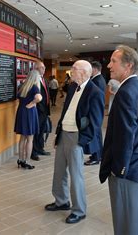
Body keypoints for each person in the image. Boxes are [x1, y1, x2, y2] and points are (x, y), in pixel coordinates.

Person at [99, 45, 138, 235]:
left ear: (128, 66)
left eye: (114, 61)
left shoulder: (126, 92)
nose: (109, 65)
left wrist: (119, 170)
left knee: (127, 223)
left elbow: (125, 137)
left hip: (128, 171)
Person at [45, 60, 104, 224]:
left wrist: (82, 141)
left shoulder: (95, 92)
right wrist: (58, 135)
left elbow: (95, 122)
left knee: (76, 175)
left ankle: (79, 210)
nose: (71, 71)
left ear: (84, 72)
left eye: (74, 69)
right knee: (59, 171)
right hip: (64, 134)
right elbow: (65, 112)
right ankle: (61, 201)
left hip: (77, 137)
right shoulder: (72, 87)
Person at [14, 69, 42, 170]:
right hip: (29, 113)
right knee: (30, 138)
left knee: (22, 138)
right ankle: (27, 161)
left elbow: (18, 98)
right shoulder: (34, 87)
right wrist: (32, 103)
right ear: (35, 77)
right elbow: (39, 98)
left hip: (21, 112)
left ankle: (20, 159)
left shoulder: (22, 86)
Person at [85, 61, 106, 166]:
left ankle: (96, 157)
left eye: (91, 69)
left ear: (95, 69)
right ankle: (98, 154)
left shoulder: (97, 80)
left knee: (95, 134)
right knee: (97, 134)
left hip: (95, 111)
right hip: (97, 111)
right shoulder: (99, 79)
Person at [30, 61, 51, 161]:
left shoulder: (44, 79)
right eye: (42, 67)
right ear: (36, 69)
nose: (44, 69)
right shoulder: (34, 80)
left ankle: (40, 148)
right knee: (35, 131)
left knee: (42, 130)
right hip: (38, 110)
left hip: (45, 110)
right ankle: (33, 152)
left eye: (44, 67)